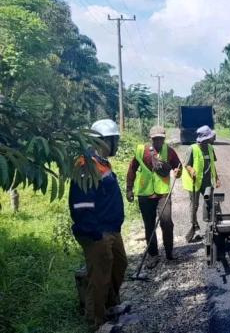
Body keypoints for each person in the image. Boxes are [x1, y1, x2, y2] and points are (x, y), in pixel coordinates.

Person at [69, 119, 128, 330]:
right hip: (96, 231)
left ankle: (111, 306)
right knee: (99, 276)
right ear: (102, 141)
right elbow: (82, 202)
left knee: (119, 265)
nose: (117, 144)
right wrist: (94, 231)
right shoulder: (86, 165)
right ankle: (96, 321)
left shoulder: (102, 162)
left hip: (111, 228)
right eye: (114, 140)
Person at [126, 126, 182, 267]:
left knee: (167, 222)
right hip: (145, 194)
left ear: (164, 138)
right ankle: (153, 255)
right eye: (155, 139)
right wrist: (129, 189)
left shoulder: (169, 151)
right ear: (150, 138)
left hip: (163, 193)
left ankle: (169, 253)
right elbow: (132, 168)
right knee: (149, 225)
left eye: (161, 139)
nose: (158, 141)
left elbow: (178, 165)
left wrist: (177, 172)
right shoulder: (141, 151)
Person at [183, 125, 220, 242]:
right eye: (210, 138)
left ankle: (209, 224)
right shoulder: (192, 149)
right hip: (194, 181)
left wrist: (217, 178)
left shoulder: (210, 148)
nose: (212, 139)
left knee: (209, 202)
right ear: (205, 139)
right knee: (194, 205)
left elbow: (212, 164)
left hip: (207, 181)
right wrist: (191, 170)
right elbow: (186, 164)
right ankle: (195, 226)